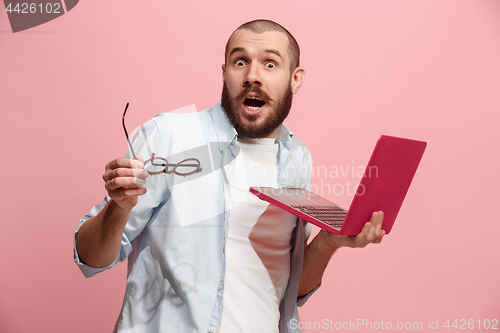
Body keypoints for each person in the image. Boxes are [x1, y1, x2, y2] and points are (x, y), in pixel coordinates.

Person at [74, 19, 385, 333]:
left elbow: (290, 290)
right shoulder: (172, 137)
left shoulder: (297, 157)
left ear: (295, 79)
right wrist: (119, 206)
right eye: (240, 61)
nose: (253, 76)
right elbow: (91, 258)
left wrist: (330, 241)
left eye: (270, 63)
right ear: (224, 72)